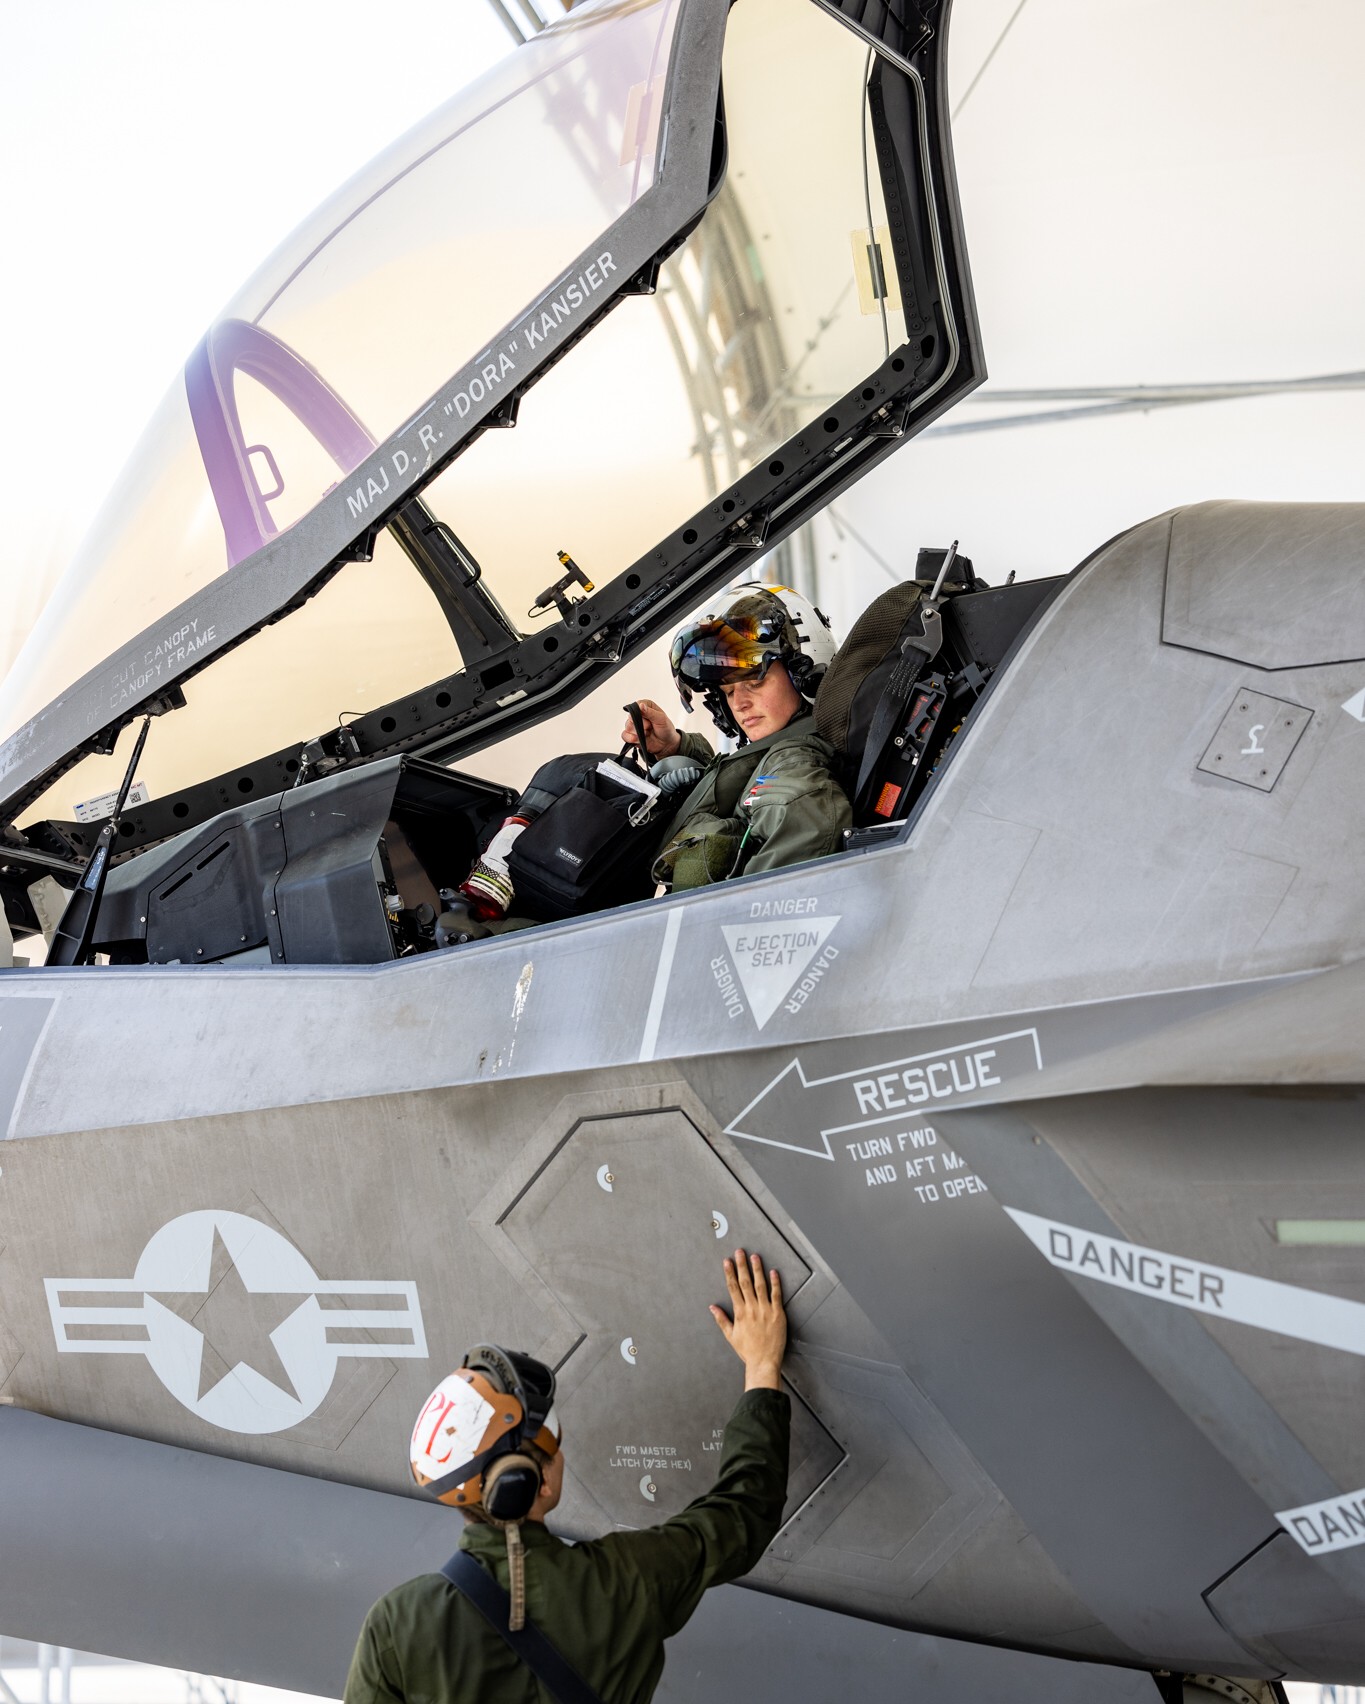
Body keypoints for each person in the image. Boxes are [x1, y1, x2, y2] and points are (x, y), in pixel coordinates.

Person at [343, 1250, 790, 1704]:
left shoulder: (396, 1626)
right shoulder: (626, 1582)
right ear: (533, 1481)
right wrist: (761, 1366)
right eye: (554, 1448)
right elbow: (744, 1511)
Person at [448, 585, 851, 931]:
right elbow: (739, 786)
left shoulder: (795, 781)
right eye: (728, 692)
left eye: (754, 680)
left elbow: (763, 922)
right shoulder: (779, 752)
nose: (741, 703)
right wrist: (677, 748)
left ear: (803, 668)